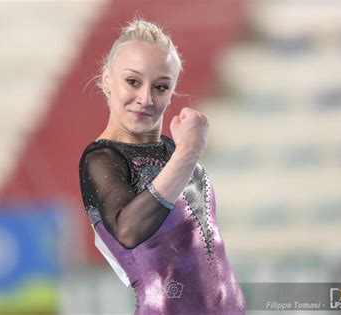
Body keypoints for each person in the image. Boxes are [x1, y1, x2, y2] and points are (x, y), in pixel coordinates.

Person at [78, 19, 246, 315]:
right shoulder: (102, 158)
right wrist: (189, 152)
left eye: (161, 87)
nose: (145, 98)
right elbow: (128, 230)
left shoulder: (175, 149)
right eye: (133, 81)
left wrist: (184, 152)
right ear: (107, 79)